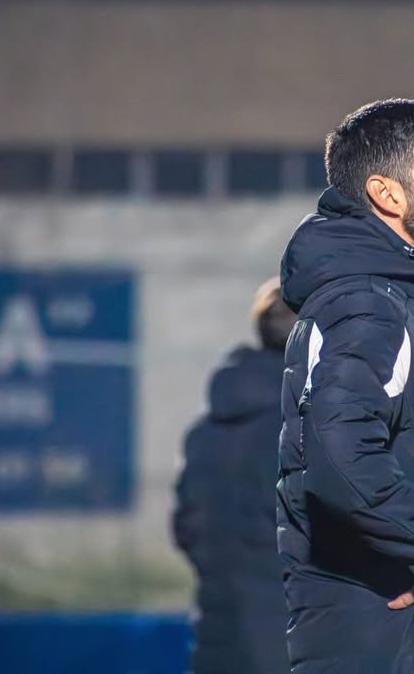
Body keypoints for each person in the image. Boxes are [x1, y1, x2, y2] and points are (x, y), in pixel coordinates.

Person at [276, 98, 414, 673]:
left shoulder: (382, 299)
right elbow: (338, 455)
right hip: (389, 637)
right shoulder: (368, 305)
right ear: (387, 194)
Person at [171, 277, 297, 674]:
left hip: (214, 639)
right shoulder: (302, 428)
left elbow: (186, 529)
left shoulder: (204, 433)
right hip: (290, 644)